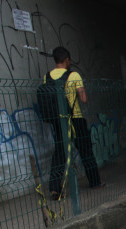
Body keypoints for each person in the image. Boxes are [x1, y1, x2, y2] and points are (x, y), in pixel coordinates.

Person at [46, 46, 104, 199]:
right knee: (85, 151)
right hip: (76, 119)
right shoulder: (74, 75)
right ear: (67, 60)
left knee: (59, 154)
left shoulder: (47, 77)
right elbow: (84, 99)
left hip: (59, 121)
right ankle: (95, 182)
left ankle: (54, 188)